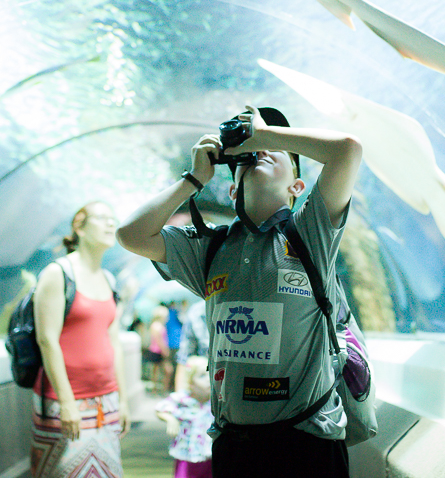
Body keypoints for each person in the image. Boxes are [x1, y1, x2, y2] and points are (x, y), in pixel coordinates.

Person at [117, 105, 362, 478]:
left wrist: (263, 135)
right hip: (235, 442)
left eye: (278, 155)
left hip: (308, 440)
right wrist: (194, 179)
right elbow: (130, 234)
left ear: (298, 188)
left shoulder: (310, 233)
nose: (260, 151)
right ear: (232, 190)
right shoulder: (209, 249)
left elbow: (347, 150)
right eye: (249, 155)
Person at [31, 201, 130, 478]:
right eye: (102, 218)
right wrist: (66, 402)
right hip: (66, 399)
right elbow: (47, 340)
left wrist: (122, 399)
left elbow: (114, 342)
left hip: (105, 400)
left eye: (113, 218)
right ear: (79, 227)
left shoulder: (109, 279)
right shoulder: (58, 273)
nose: (111, 224)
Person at [155, 355, 214, 478]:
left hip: (209, 456)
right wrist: (170, 419)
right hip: (186, 455)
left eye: (209, 374)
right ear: (191, 383)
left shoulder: (215, 402)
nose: (208, 380)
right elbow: (160, 408)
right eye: (201, 376)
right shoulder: (183, 399)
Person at [147, 305, 173, 393]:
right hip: (158, 351)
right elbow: (159, 341)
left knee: (156, 371)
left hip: (155, 350)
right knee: (165, 370)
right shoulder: (157, 326)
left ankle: (158, 389)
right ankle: (163, 389)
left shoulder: (156, 325)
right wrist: (165, 350)